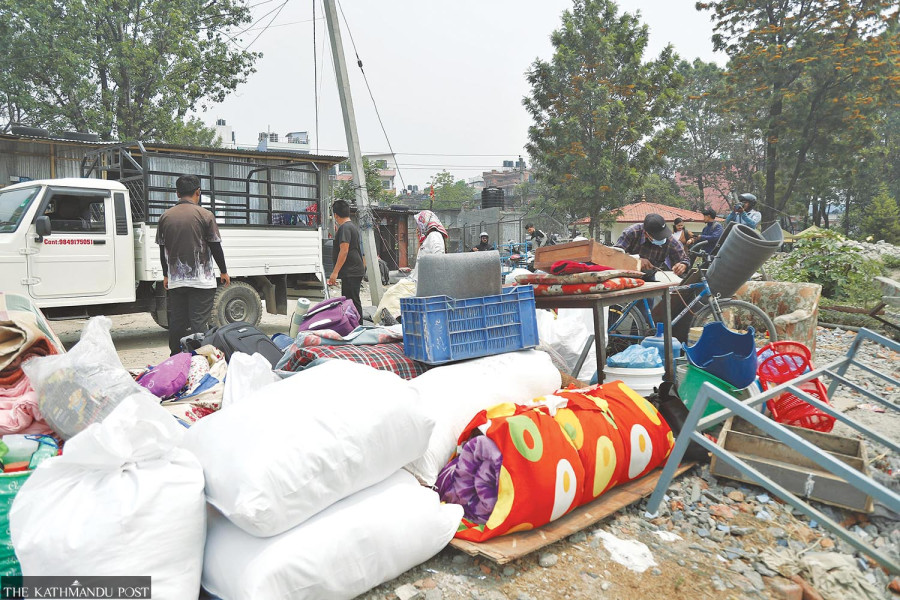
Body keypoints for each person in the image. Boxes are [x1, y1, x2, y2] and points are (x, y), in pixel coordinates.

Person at [156, 174, 230, 355]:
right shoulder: (205, 215)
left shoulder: (165, 217)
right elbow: (215, 246)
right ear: (198, 192)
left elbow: (162, 250)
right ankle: (200, 359)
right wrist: (224, 271)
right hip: (201, 282)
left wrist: (166, 274)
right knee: (198, 322)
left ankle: (175, 358)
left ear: (177, 193)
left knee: (177, 322)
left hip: (176, 282)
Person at [614, 213, 689, 279]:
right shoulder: (632, 233)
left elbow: (684, 259)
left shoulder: (670, 239)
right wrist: (636, 260)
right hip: (626, 276)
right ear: (646, 234)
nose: (663, 239)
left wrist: (683, 265)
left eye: (664, 236)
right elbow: (614, 255)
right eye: (659, 237)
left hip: (651, 277)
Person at [327, 199, 366, 317]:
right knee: (350, 302)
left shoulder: (344, 228)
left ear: (335, 215)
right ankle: (354, 327)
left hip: (351, 271)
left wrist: (334, 273)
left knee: (352, 302)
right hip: (353, 270)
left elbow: (344, 251)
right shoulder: (352, 227)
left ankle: (357, 328)